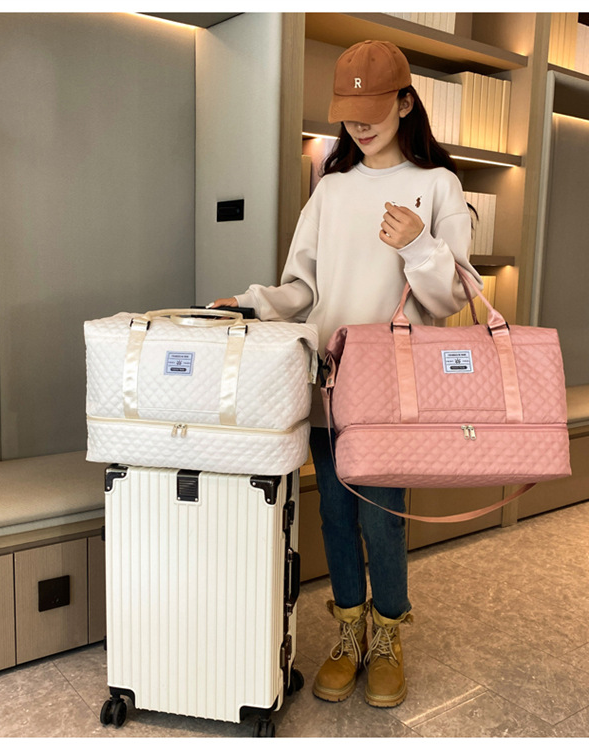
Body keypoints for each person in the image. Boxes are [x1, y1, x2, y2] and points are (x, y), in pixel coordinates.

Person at [210, 39, 482, 708]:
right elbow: (303, 288)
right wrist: (251, 303)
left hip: (393, 387)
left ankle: (388, 637)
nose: (359, 124)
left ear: (406, 103)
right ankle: (349, 631)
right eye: (349, 112)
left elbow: (454, 295)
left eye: (374, 109)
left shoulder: (438, 186)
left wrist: (418, 244)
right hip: (331, 382)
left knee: (381, 518)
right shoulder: (330, 190)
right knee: (333, 512)